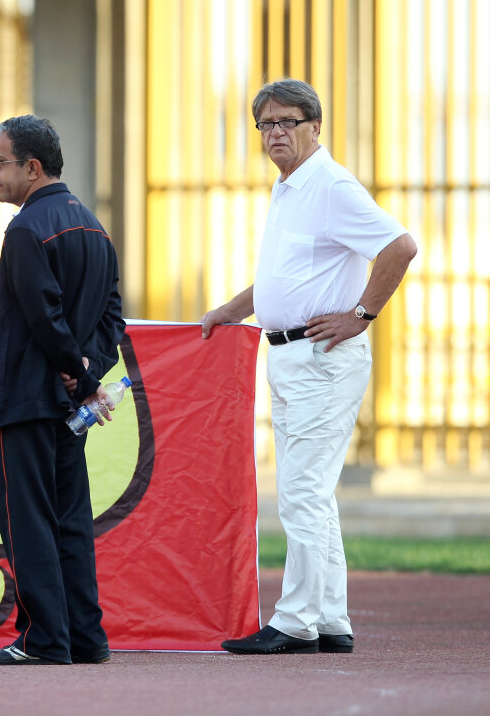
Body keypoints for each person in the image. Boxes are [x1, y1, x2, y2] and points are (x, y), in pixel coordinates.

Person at [202, 79, 417, 655]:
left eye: (288, 121)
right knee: (312, 492)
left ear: (314, 126)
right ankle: (330, 619)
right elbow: (283, 278)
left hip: (323, 358)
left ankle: (295, 621)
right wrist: (231, 310)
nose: (275, 132)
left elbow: (400, 246)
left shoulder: (330, 185)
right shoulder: (290, 186)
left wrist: (362, 315)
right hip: (290, 355)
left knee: (302, 491)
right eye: (266, 124)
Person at [0, 115, 126, 665]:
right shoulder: (93, 227)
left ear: (32, 168)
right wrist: (87, 372)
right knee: (70, 524)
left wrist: (79, 375)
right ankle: (85, 637)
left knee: (29, 525)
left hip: (22, 403)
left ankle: (42, 640)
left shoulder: (25, 230)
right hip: (65, 409)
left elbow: (43, 316)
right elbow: (112, 318)